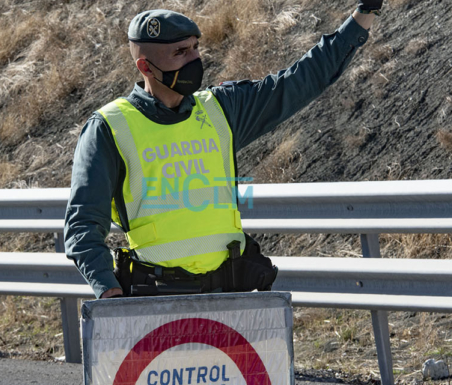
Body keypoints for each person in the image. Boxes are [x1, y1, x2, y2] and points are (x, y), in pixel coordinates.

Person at [65, 1, 382, 298]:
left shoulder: (221, 110)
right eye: (180, 53)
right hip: (155, 301)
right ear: (145, 67)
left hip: (230, 298)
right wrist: (108, 290)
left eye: (195, 48)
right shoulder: (109, 128)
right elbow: (82, 225)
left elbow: (300, 80)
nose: (194, 60)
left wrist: (363, 15)